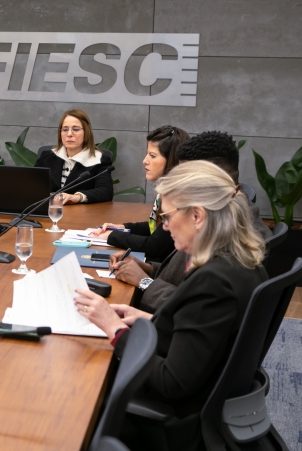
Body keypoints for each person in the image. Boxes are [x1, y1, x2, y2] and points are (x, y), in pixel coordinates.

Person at [74, 161, 267, 450]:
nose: (164, 226)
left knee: (75, 385)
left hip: (172, 425)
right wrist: (147, 319)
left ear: (197, 215)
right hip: (210, 402)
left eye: (167, 216)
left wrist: (114, 329)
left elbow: (172, 382)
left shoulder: (213, 282)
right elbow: (204, 337)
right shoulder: (243, 262)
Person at [109, 131, 272, 312]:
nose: (166, 225)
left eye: (184, 178)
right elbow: (183, 280)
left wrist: (144, 281)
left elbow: (196, 309)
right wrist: (147, 269)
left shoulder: (228, 241)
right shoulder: (228, 217)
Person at [89, 125, 190, 262]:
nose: (145, 161)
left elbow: (155, 245)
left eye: (152, 156)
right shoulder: (167, 189)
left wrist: (112, 236)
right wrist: (125, 228)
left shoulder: (179, 195)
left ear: (172, 160)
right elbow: (155, 227)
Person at [33, 109, 113, 204]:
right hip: (49, 213)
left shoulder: (99, 160)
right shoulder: (47, 157)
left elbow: (106, 191)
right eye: (65, 129)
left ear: (86, 133)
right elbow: (31, 186)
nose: (69, 134)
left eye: (75, 129)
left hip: (83, 215)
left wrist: (77, 197)